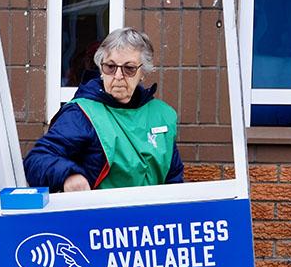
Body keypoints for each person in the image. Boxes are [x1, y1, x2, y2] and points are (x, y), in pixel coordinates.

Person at [24, 28, 184, 192]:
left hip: (153, 215)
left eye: (129, 68)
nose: (118, 76)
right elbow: (36, 160)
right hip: (101, 214)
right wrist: (68, 175)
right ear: (101, 69)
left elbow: (174, 180)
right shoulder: (82, 113)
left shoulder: (162, 114)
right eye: (110, 67)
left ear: (143, 72)